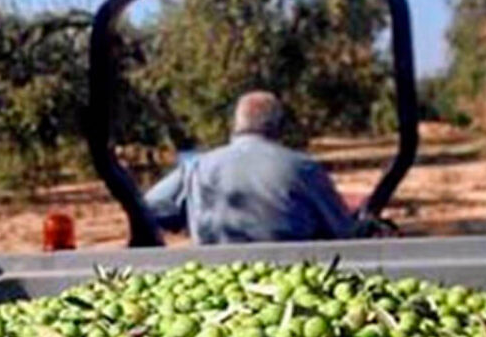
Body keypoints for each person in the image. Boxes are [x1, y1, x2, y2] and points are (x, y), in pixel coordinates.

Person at [144, 91, 355, 244]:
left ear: (236, 125)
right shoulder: (303, 169)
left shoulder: (197, 167)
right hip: (290, 279)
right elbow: (343, 230)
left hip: (214, 276)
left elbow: (148, 209)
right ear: (279, 127)